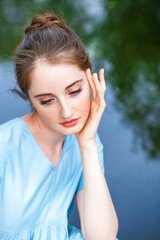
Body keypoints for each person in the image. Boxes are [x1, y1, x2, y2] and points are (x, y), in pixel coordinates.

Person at [0, 12, 118, 240]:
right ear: (30, 99)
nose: (66, 111)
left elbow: (102, 237)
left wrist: (88, 145)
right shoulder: (4, 146)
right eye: (46, 100)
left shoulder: (86, 142)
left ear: (90, 78)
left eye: (74, 91)